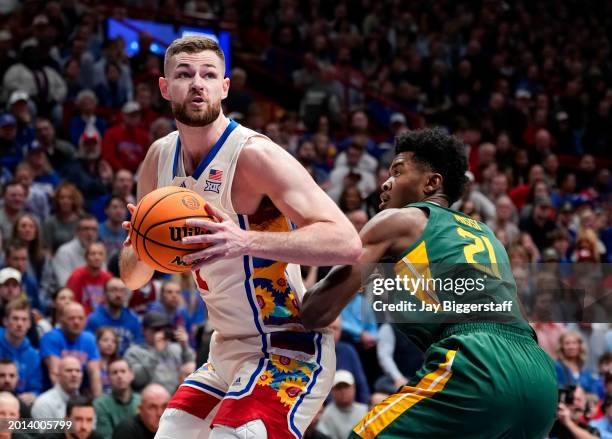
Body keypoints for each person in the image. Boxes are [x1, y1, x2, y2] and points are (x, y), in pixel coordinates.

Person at [119, 36, 360, 438]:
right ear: (164, 87)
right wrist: (143, 248)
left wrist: (244, 241)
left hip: (289, 347)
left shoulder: (254, 156)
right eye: (184, 74)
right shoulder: (159, 159)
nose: (197, 83)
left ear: (224, 87)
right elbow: (131, 278)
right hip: (226, 349)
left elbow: (346, 242)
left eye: (208, 74)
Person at [301, 128, 558, 438]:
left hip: (477, 361)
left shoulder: (399, 220)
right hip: (539, 376)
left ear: (432, 183)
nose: (386, 182)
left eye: (397, 171)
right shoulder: (487, 236)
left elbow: (316, 311)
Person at [39, 302, 102, 397]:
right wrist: (67, 403)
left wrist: (98, 402)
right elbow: (55, 375)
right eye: (71, 318)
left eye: (80, 318)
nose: (76, 322)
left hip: (79, 393)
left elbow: (95, 374)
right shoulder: (51, 338)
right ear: (61, 321)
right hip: (52, 393)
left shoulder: (89, 339)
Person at [123, 311, 194, 393]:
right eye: (156, 329)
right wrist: (156, 352)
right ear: (144, 330)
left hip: (176, 398)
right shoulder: (133, 352)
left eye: (164, 329)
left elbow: (192, 369)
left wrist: (185, 346)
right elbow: (138, 380)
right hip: (151, 400)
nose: (161, 333)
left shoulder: (176, 348)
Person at [86, 277, 143, 355]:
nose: (118, 295)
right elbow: (90, 349)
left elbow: (139, 346)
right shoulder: (93, 320)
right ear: (105, 294)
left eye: (122, 291)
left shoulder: (133, 319)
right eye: (114, 290)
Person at [0, 298, 42, 400]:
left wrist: (32, 396)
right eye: (15, 318)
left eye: (24, 319)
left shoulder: (33, 356)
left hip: (18, 406)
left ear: (29, 324)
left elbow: (36, 389)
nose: (19, 324)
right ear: (5, 321)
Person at [94, 358, 141, 438]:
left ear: (131, 375)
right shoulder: (100, 405)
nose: (119, 376)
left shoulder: (141, 401)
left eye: (123, 371)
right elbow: (105, 436)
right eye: (114, 373)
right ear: (108, 378)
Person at [317, 370, 368, 439]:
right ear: (332, 391)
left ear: (354, 388)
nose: (343, 391)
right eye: (339, 388)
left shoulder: (365, 411)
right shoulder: (326, 414)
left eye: (346, 387)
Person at [52, 215, 99, 286]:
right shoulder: (64, 252)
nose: (90, 233)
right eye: (86, 229)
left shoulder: (99, 251)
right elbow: (64, 283)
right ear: (77, 232)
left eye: (93, 229)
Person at [66, 242, 112, 314]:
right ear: (86, 257)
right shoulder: (76, 276)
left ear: (104, 258)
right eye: (93, 254)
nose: (97, 257)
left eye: (100, 254)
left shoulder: (108, 278)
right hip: (80, 316)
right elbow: (71, 302)